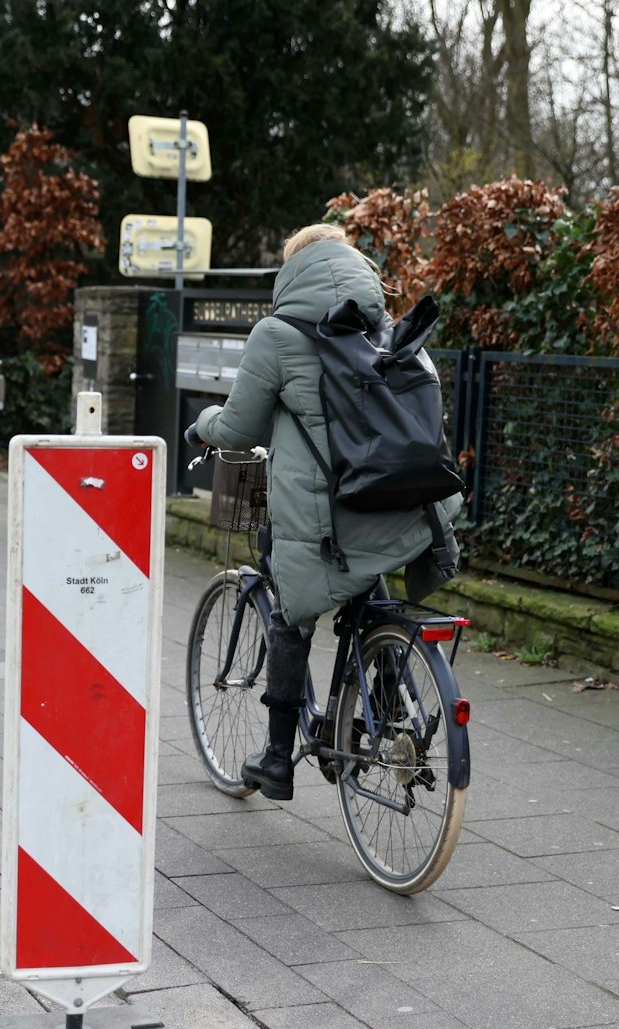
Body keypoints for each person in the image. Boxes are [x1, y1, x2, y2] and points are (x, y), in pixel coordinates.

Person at [189, 223, 464, 801]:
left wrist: (202, 426)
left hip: (324, 523)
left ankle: (276, 759)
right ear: (355, 268)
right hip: (402, 508)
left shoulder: (277, 333)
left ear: (293, 271)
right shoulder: (387, 331)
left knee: (291, 615)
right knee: (372, 579)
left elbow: (240, 427)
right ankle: (390, 701)